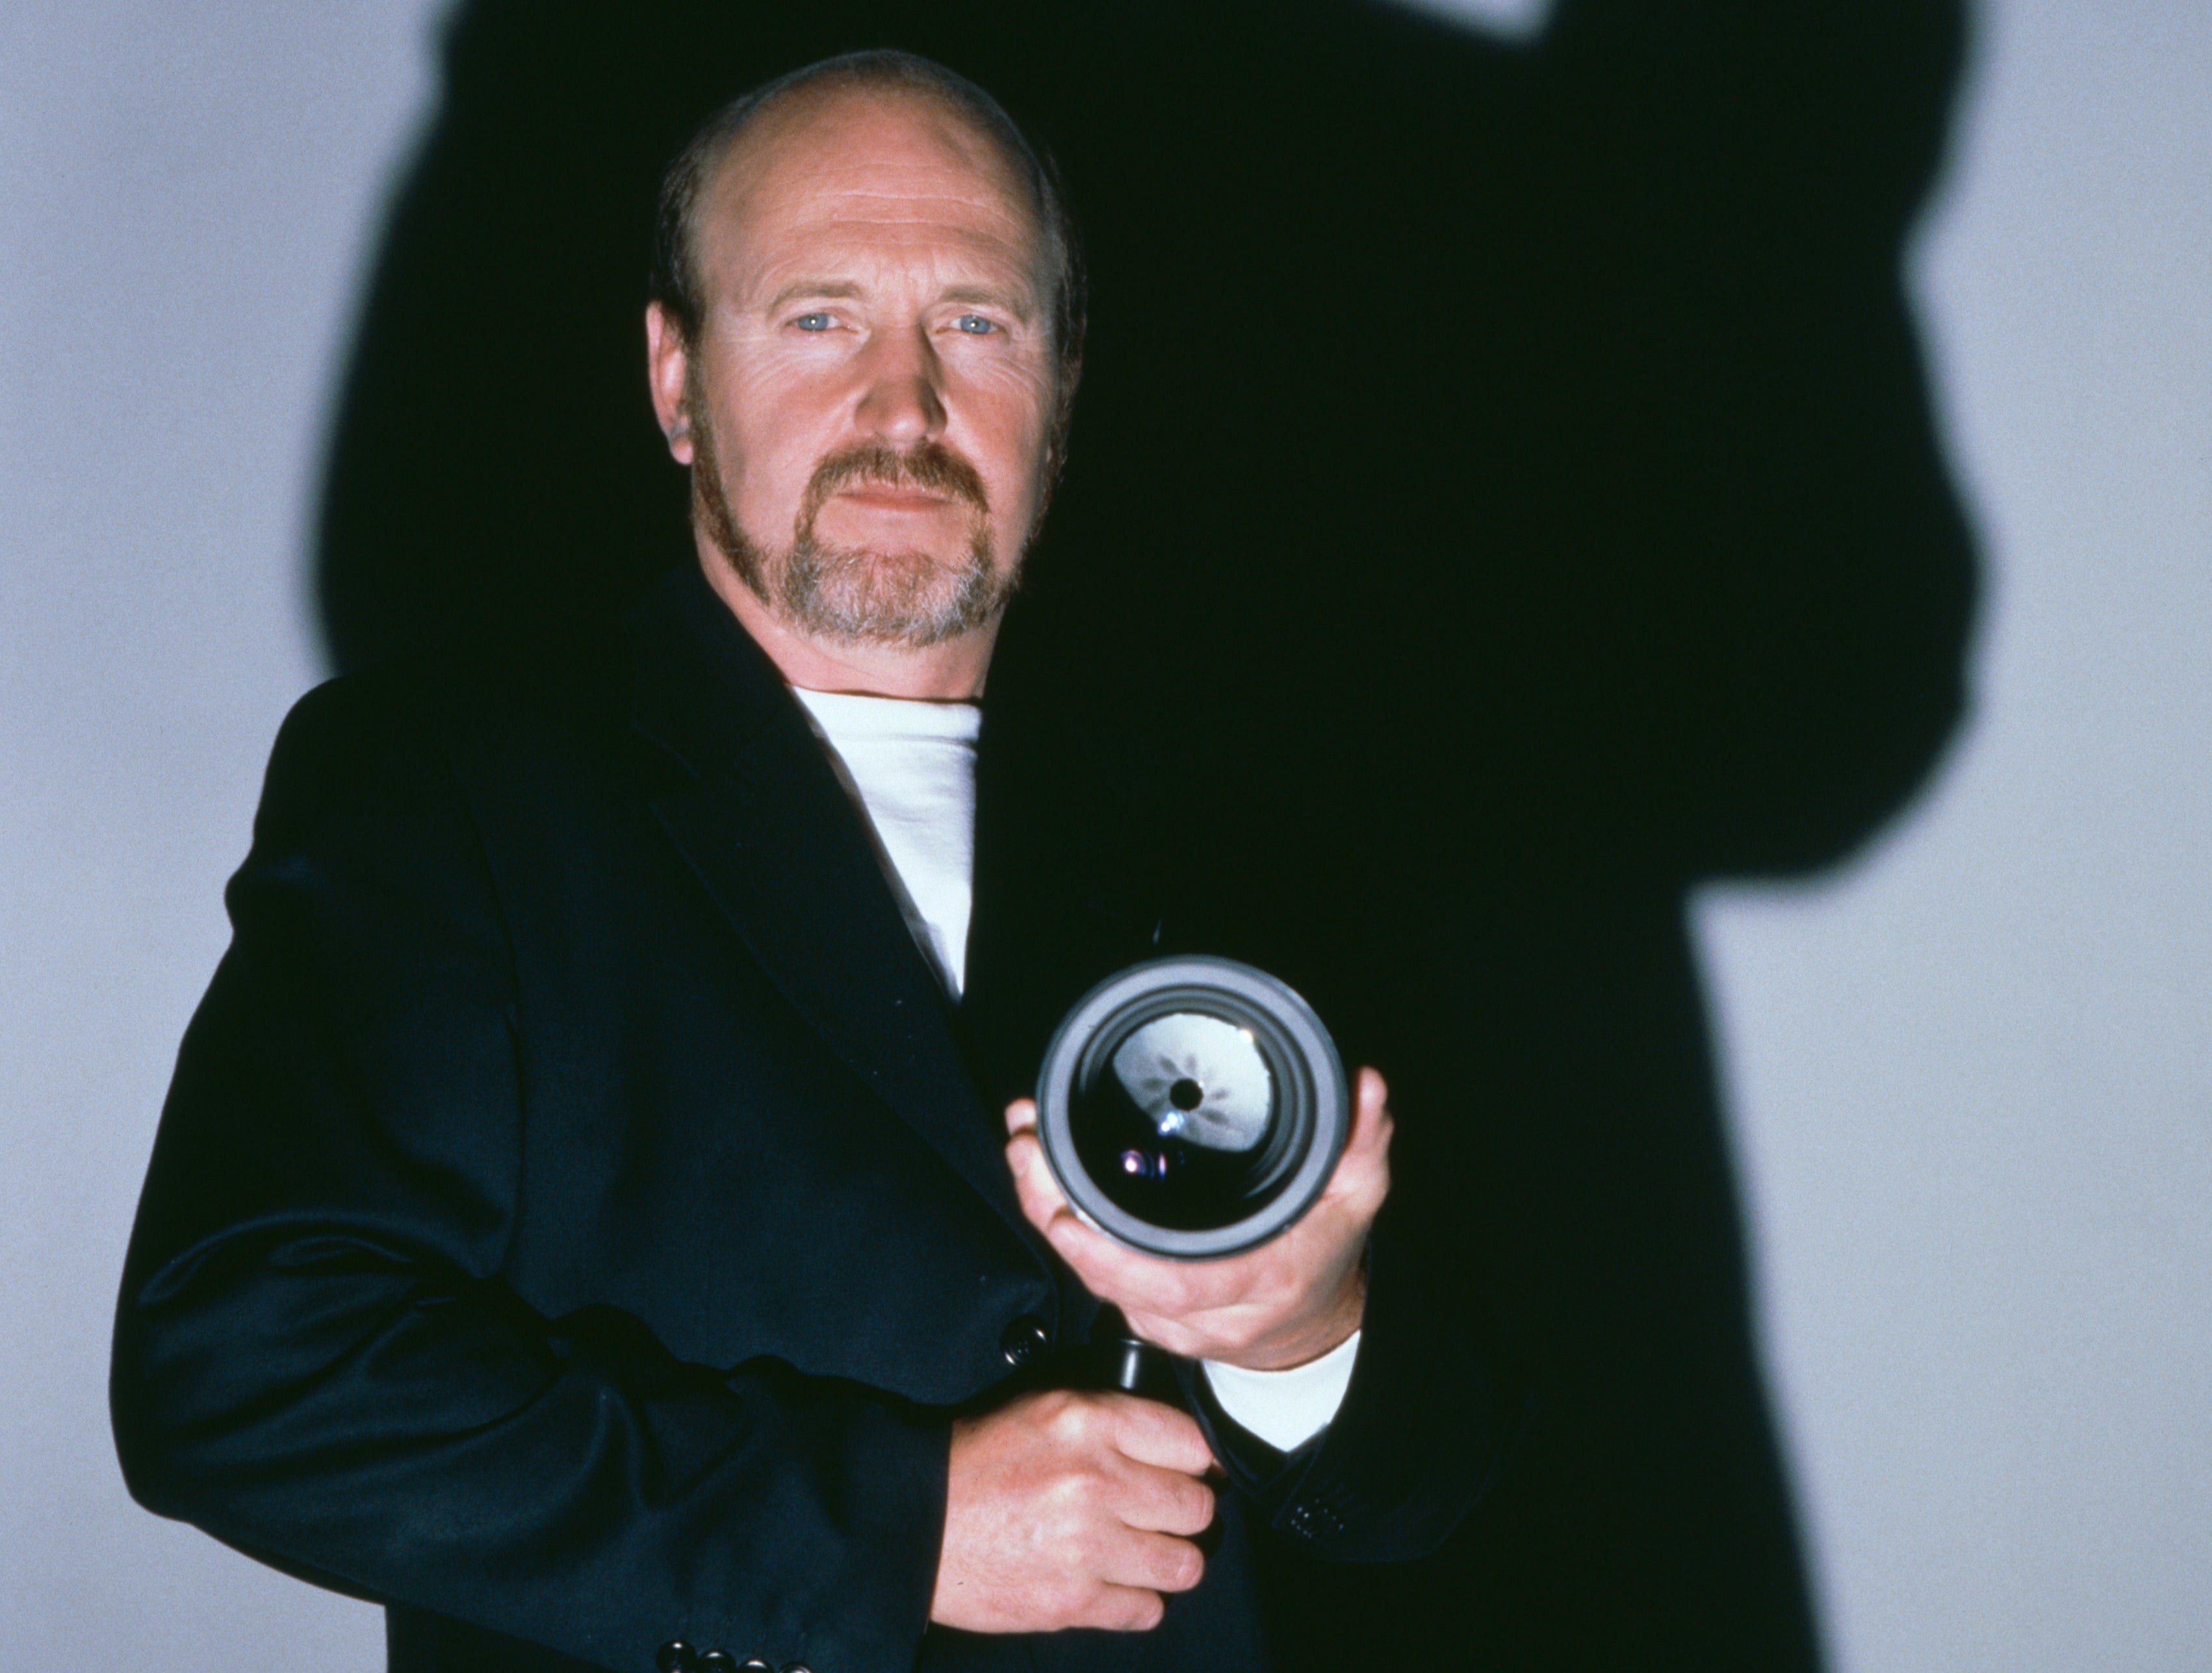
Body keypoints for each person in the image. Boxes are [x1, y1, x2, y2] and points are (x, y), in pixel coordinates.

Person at [112, 53, 1511, 1673]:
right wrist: (893, 1528)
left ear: (1062, 387)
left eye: (977, 323)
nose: (905, 407)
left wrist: (1298, 1334)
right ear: (676, 381)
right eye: (818, 319)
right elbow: (241, 1370)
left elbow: (1444, 1479)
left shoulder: (1244, 823)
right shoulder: (456, 789)